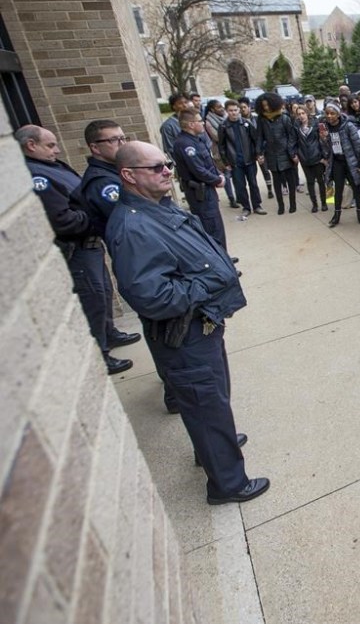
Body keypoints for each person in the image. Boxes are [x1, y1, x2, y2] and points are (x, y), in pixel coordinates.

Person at [105, 141, 270, 505]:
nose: (166, 171)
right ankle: (227, 484)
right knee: (204, 401)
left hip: (203, 324)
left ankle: (213, 449)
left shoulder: (157, 209)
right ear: (129, 176)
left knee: (212, 401)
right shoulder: (132, 228)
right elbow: (152, 296)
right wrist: (208, 282)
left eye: (166, 164)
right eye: (155, 167)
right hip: (185, 334)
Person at [18, 124, 138, 374]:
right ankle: (99, 356)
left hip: (90, 246)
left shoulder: (53, 167)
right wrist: (93, 218)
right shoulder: (36, 175)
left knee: (103, 293)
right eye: (50, 145)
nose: (57, 149)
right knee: (92, 299)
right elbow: (61, 220)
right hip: (77, 249)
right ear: (31, 145)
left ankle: (109, 334)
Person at [173, 110, 229, 250]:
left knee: (216, 224)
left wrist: (218, 174)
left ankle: (222, 254)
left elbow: (208, 162)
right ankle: (220, 261)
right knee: (210, 226)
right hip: (199, 192)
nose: (203, 123)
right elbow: (198, 170)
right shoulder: (185, 144)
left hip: (207, 189)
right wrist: (217, 180)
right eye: (200, 121)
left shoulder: (197, 139)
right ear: (191, 124)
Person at [319, 102, 360, 227]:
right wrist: (324, 139)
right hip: (337, 162)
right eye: (327, 113)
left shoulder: (348, 126)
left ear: (338, 114)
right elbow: (326, 151)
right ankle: (336, 215)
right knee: (338, 189)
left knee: (356, 188)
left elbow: (357, 145)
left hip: (350, 162)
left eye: (332, 113)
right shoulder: (326, 128)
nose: (329, 116)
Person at [218, 99, 266, 217]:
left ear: (239, 110)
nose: (233, 113)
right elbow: (222, 145)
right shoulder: (224, 126)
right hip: (235, 162)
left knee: (253, 183)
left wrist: (259, 154)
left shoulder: (246, 123)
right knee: (240, 186)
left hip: (249, 159)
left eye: (235, 110)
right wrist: (225, 161)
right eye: (230, 110)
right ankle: (246, 207)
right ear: (226, 111)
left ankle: (257, 205)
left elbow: (255, 140)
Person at [255, 92, 299, 215]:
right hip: (271, 153)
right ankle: (281, 205)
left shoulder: (284, 117)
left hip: (285, 152)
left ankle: (293, 203)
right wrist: (259, 153)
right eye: (264, 106)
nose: (266, 108)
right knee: (276, 181)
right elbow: (259, 137)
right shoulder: (262, 119)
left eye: (268, 105)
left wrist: (292, 152)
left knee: (291, 181)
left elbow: (291, 136)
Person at [295, 106, 327, 213]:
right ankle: (314, 204)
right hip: (305, 158)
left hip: (317, 157)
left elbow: (322, 141)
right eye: (299, 114)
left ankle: (324, 203)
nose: (301, 116)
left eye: (303, 113)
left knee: (321, 181)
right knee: (310, 182)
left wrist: (324, 156)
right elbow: (294, 142)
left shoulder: (316, 124)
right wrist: (295, 154)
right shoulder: (296, 127)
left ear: (307, 113)